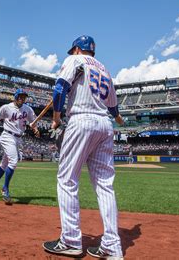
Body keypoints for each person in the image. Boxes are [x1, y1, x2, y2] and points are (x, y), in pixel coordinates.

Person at [42, 35, 125, 259]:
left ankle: (70, 240)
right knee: (105, 186)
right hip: (105, 126)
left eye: (73, 50)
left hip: (82, 120)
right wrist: (118, 119)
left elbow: (60, 88)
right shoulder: (104, 69)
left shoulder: (75, 61)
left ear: (77, 49)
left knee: (67, 180)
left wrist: (57, 117)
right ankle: (112, 246)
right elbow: (113, 106)